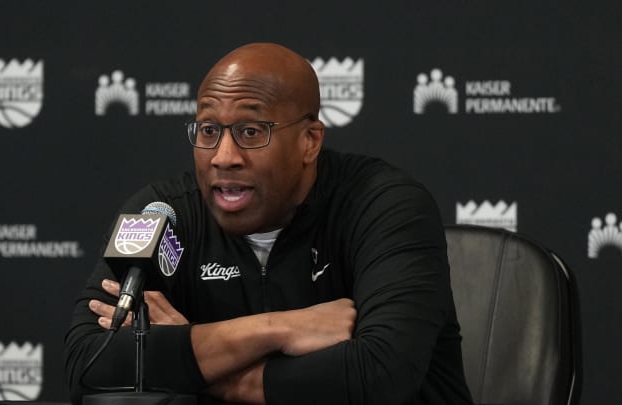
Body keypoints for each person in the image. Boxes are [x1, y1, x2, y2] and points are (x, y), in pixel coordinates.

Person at [65, 42, 473, 405]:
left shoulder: (384, 205)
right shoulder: (164, 214)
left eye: (250, 131)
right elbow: (88, 365)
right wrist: (277, 328)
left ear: (309, 141)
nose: (224, 156)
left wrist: (193, 360)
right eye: (208, 130)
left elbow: (379, 376)